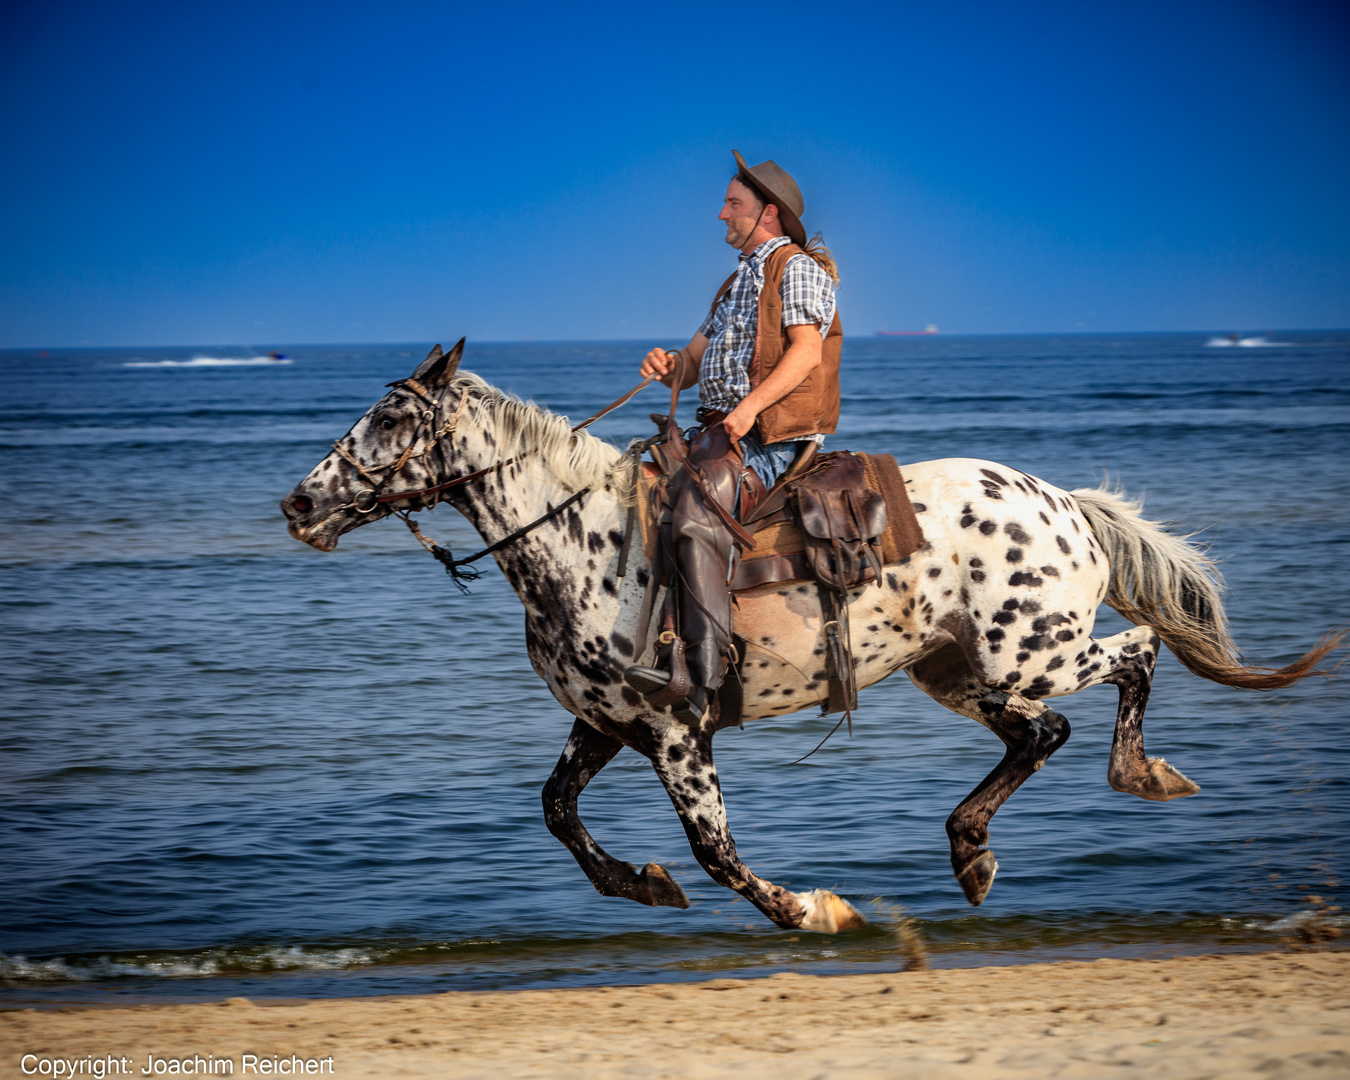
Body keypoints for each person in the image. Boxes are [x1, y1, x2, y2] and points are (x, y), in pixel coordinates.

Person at [623, 150, 842, 722]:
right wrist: (666, 366)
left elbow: (806, 353)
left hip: (773, 437)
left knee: (696, 516)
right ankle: (657, 641)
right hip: (723, 430)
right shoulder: (732, 284)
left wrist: (747, 411)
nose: (721, 214)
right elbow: (689, 367)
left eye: (732, 204)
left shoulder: (794, 267)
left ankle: (705, 670)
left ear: (767, 213)